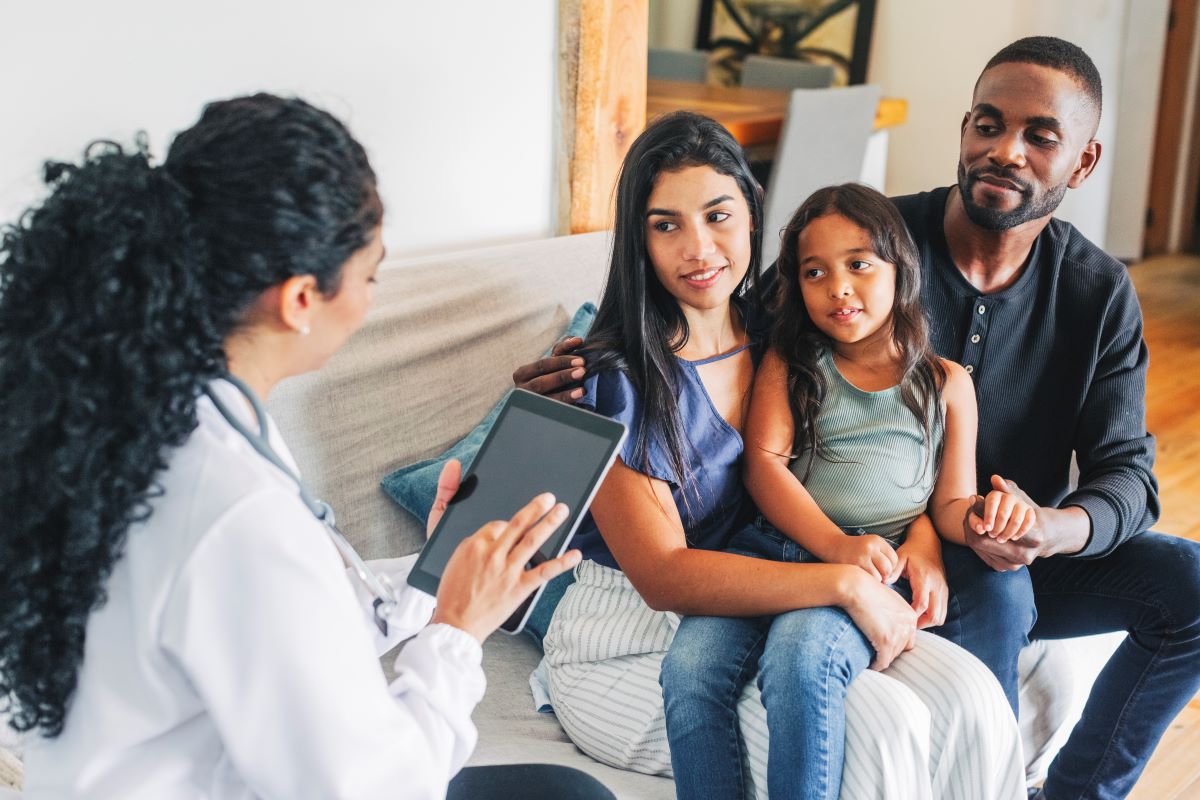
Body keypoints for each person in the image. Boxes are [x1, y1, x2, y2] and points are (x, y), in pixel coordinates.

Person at [519, 36, 1200, 800]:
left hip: (985, 539)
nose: (1004, 150)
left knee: (1188, 583)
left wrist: (1046, 526)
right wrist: (577, 383)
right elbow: (710, 331)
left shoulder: (1096, 292)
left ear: (1082, 162)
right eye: (987, 123)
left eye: (1039, 136)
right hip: (843, 549)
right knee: (941, 634)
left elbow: (1130, 481)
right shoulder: (863, 241)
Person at [0, 94, 612, 800]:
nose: (370, 300)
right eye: (371, 274)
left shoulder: (150, 418)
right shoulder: (234, 510)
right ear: (299, 300)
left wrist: (430, 577)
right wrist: (457, 631)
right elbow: (375, 789)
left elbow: (286, 620)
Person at [529, 110, 1024, 800]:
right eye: (665, 224)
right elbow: (664, 577)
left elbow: (882, 461)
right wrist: (846, 582)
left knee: (969, 696)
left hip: (778, 589)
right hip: (634, 636)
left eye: (718, 216)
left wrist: (917, 537)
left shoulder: (785, 338)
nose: (699, 248)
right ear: (638, 240)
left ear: (754, 217)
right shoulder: (617, 379)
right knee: (880, 731)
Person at [660, 182, 1038, 800]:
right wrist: (835, 546)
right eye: (815, 272)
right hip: (771, 550)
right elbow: (764, 467)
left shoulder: (947, 383)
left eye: (859, 264)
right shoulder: (792, 361)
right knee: (689, 669)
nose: (838, 287)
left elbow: (947, 503)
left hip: (872, 566)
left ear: (901, 270)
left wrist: (986, 517)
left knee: (803, 663)